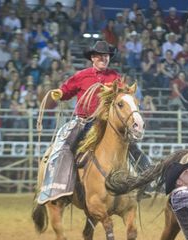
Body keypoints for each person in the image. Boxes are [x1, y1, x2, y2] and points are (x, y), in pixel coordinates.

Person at [38, 41, 150, 204]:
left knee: (132, 147)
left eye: (106, 56)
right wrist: (59, 92)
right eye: (100, 56)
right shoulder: (81, 76)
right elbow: (67, 90)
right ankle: (57, 186)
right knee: (65, 146)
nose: (103, 59)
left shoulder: (115, 78)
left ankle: (145, 183)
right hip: (83, 121)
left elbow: (123, 95)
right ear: (93, 58)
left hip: (106, 123)